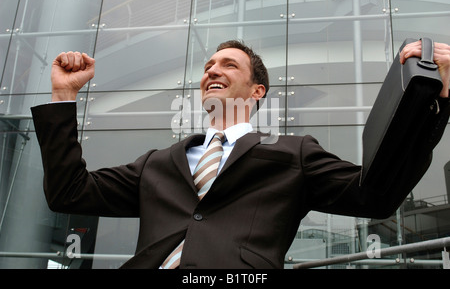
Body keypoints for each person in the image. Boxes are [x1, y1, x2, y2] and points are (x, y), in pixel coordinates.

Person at [31, 39, 450, 269]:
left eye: (228, 65)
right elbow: (69, 193)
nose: (212, 70)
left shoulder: (292, 153)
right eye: (209, 65)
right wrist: (63, 94)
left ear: (256, 91)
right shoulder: (157, 163)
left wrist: (430, 97)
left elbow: (375, 193)